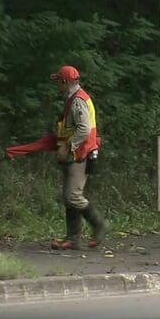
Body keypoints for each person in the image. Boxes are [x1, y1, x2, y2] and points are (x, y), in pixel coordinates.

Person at [49, 65, 109, 250]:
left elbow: (84, 128)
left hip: (80, 154)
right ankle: (72, 239)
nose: (57, 84)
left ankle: (99, 225)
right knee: (70, 196)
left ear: (65, 82)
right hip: (77, 152)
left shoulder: (77, 101)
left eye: (58, 81)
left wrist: (67, 145)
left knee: (73, 196)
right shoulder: (73, 98)